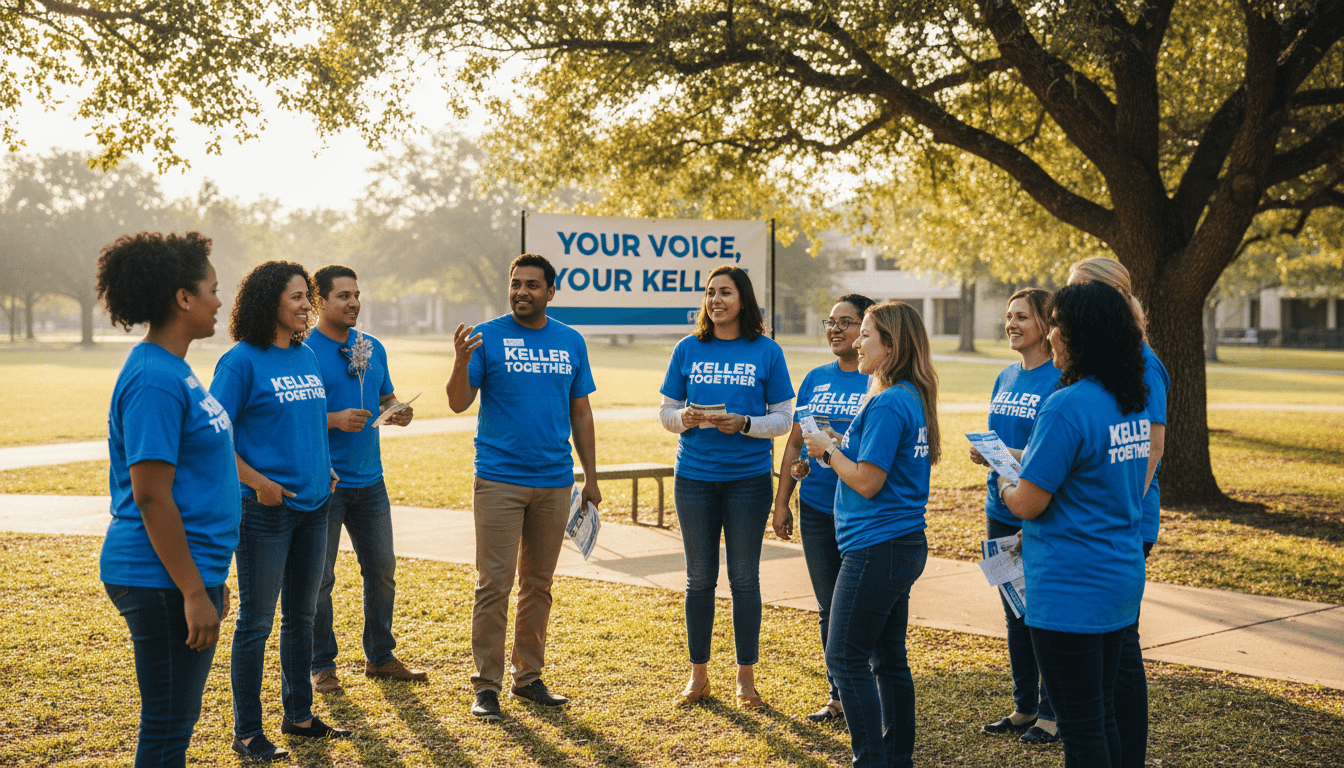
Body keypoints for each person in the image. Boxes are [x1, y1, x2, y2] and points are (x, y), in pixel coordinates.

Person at [96, 232, 239, 767]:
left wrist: (207, 582)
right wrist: (193, 592)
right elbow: (152, 498)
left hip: (184, 573)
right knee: (167, 729)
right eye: (212, 289)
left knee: (175, 723)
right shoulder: (155, 378)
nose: (218, 301)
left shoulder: (174, 368)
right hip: (159, 578)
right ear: (183, 298)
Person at [998, 280, 1151, 766]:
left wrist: (1002, 480)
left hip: (1070, 591)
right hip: (1117, 578)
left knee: (1082, 731)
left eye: (1058, 325)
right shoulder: (1129, 400)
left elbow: (1026, 503)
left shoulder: (1066, 405)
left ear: (1079, 335)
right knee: (1101, 717)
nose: (1052, 335)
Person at [446, 253, 601, 722]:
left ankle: (528, 679)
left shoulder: (570, 341)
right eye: (516, 284)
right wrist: (459, 362)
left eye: (533, 285)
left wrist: (590, 477)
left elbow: (581, 412)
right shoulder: (485, 337)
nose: (522, 292)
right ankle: (486, 686)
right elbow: (457, 403)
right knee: (494, 584)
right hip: (498, 480)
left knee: (539, 584)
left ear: (551, 292)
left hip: (555, 482)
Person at [211, 261, 349, 762]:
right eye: (296, 297)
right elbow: (212, 439)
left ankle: (299, 716)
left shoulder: (308, 354)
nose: (306, 306)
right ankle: (248, 732)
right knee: (256, 623)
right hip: (265, 511)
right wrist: (260, 483)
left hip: (315, 506)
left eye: (307, 297)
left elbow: (310, 425)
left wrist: (326, 468)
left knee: (302, 617)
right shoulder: (241, 362)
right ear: (270, 302)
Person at [802, 301, 941, 768]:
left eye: (865, 334)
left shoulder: (886, 401)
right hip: (899, 542)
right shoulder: (907, 396)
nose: (856, 342)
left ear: (891, 345)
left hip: (878, 547)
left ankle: (873, 759)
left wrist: (826, 451)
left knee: (843, 658)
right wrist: (835, 447)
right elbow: (874, 463)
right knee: (888, 659)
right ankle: (896, 757)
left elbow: (867, 480)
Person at [659, 265, 794, 709]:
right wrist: (685, 419)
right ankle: (698, 677)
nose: (716, 300)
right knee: (699, 579)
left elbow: (783, 418)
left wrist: (746, 423)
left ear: (743, 299)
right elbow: (666, 412)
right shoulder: (687, 348)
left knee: (744, 578)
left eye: (726, 293)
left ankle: (745, 679)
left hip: (748, 482)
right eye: (711, 293)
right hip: (694, 478)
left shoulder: (767, 351)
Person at [1068, 256, 1169, 768]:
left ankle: (1127, 755)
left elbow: (1150, 449)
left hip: (1124, 522)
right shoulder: (1107, 358)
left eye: (1080, 291)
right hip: (1109, 521)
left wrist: (1117, 503)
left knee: (1122, 653)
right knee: (1114, 653)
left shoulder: (1142, 361)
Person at [307, 264, 427, 694]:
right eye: (343, 296)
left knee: (382, 570)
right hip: (326, 483)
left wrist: (397, 410)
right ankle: (321, 665)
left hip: (370, 482)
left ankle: (380, 656)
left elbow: (384, 396)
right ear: (319, 300)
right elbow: (290, 420)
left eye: (356, 295)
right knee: (320, 578)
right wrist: (334, 420)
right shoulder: (303, 351)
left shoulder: (372, 346)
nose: (354, 302)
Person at [771, 293, 875, 723]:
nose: (835, 330)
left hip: (861, 511)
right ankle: (837, 694)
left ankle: (865, 688)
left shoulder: (878, 382)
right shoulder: (815, 377)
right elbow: (796, 441)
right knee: (828, 605)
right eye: (830, 322)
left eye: (847, 323)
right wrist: (782, 502)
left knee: (860, 607)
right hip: (816, 507)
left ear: (868, 331)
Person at [972, 288, 1062, 745]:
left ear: (1046, 324)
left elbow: (1054, 455)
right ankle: (1024, 707)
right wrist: (985, 452)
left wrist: (1004, 452)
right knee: (1014, 609)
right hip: (999, 507)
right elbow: (1001, 442)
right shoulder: (1005, 375)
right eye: (1008, 316)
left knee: (1043, 610)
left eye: (1022, 317)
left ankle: (1052, 713)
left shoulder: (1060, 379)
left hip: (1036, 511)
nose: (1011, 324)